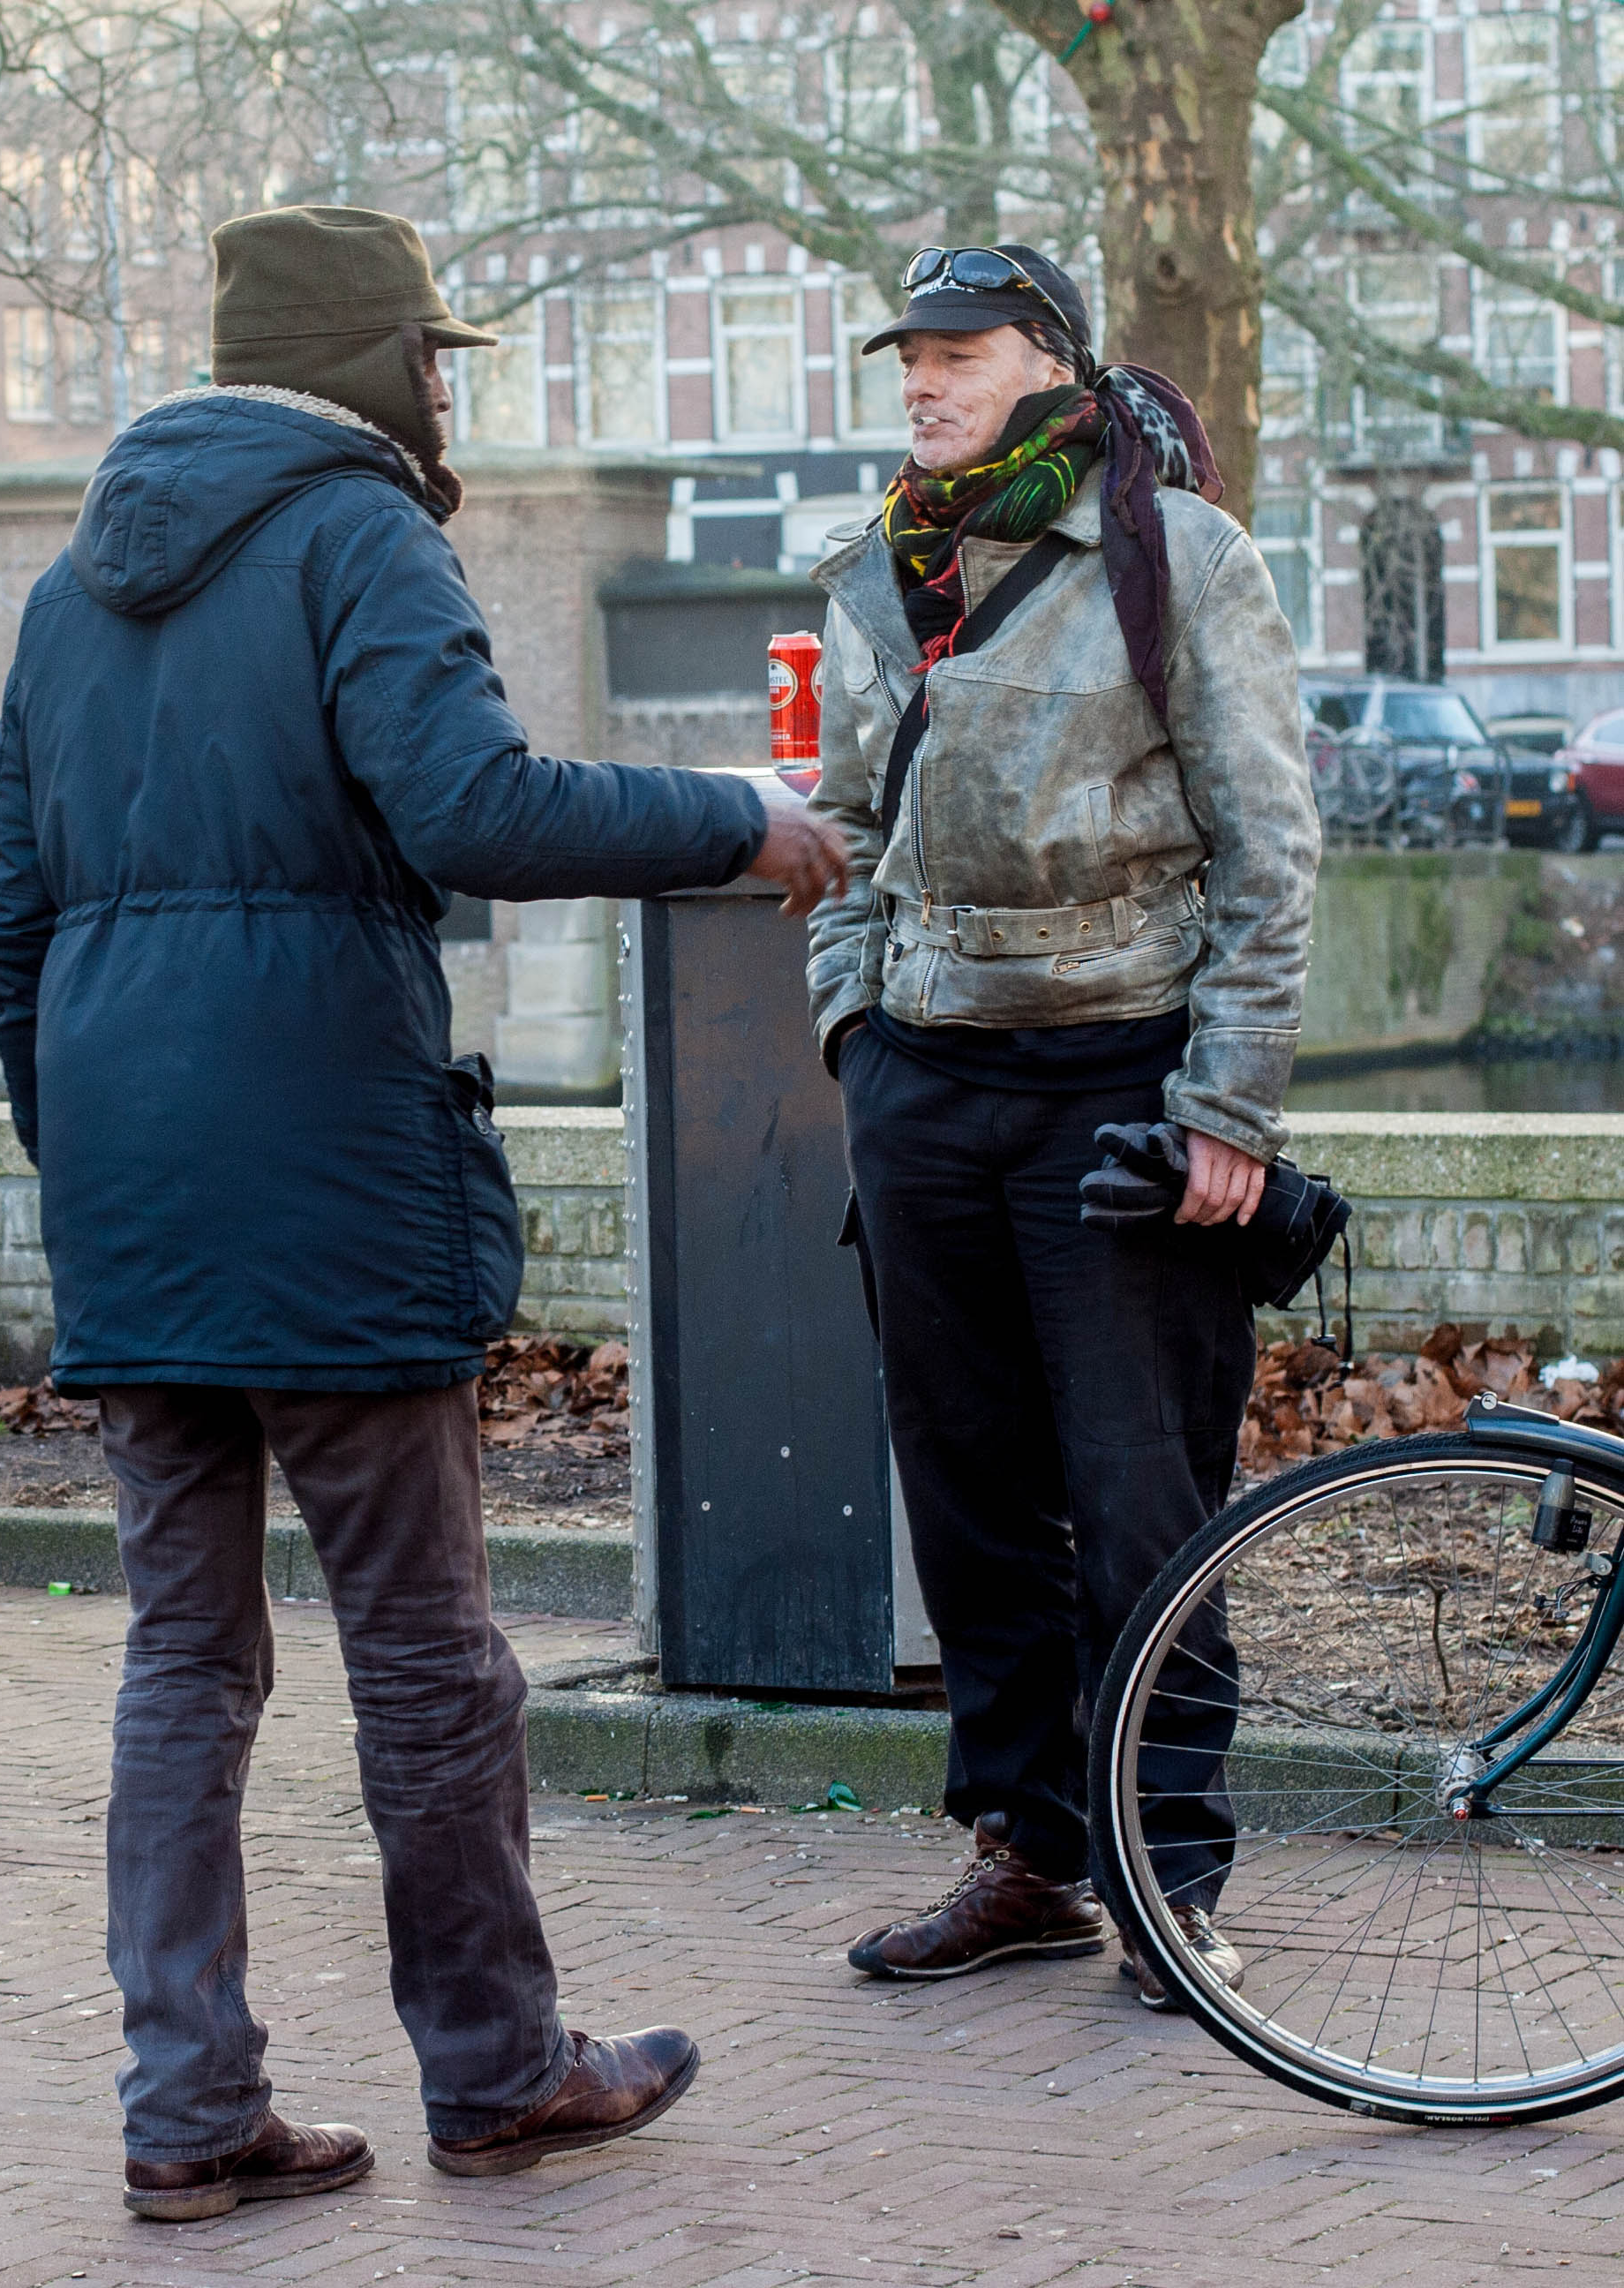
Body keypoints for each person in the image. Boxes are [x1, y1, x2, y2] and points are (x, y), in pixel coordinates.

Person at [0, 205, 848, 2219]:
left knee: (182, 1665)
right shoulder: (357, 532)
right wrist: (741, 818)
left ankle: (186, 2112)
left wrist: (77, 1148)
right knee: (427, 1650)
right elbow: (474, 807)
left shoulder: (74, 587)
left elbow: (2, 912)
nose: (447, 390)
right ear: (369, 362)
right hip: (331, 1177)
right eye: (432, 356)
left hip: (130, 1201)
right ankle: (498, 2071)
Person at [802, 247, 1318, 2007]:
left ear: (1047, 361)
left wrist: (1225, 1101)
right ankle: (1025, 1851)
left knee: (1139, 1497)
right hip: (923, 1082)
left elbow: (1267, 845)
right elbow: (841, 831)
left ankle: (1166, 1876)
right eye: (909, 356)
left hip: (1121, 1076)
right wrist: (850, 1036)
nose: (922, 382)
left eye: (959, 353)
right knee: (964, 1496)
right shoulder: (872, 566)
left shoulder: (1178, 558)